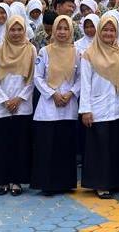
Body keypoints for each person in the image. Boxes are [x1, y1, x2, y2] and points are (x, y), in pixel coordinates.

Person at [79, 14, 119, 198]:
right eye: (105, 30)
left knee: (115, 147)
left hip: (118, 108)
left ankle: (116, 182)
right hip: (98, 108)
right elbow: (85, 83)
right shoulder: (89, 54)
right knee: (100, 148)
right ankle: (101, 184)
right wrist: (86, 110)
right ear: (99, 31)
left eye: (112, 30)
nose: (109, 33)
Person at [31, 15, 80, 196]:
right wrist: (53, 94)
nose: (62, 32)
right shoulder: (45, 51)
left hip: (68, 104)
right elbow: (37, 77)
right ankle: (47, 184)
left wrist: (71, 93)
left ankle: (65, 183)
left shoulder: (77, 53)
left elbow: (81, 77)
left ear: (71, 31)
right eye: (59, 28)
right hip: (48, 106)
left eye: (66, 29)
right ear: (53, 30)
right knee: (47, 146)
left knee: (65, 146)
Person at [0, 16, 36, 196]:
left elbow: (33, 78)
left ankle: (17, 181)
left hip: (22, 105)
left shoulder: (31, 50)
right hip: (2, 106)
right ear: (7, 31)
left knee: (20, 145)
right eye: (12, 30)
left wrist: (19, 98)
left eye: (19, 29)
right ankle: (2, 180)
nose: (16, 33)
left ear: (24, 30)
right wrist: (5, 100)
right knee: (2, 145)